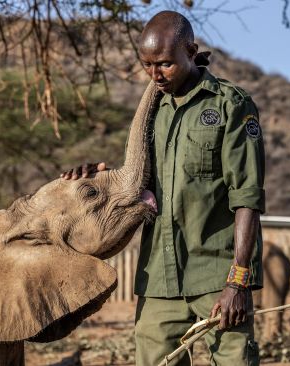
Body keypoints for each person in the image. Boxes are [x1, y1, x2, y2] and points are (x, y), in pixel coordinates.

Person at [61, 10, 265, 365]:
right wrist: (95, 177)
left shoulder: (231, 105)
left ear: (191, 50)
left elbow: (246, 197)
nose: (155, 75)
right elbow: (138, 178)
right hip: (159, 279)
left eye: (166, 64)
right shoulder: (152, 111)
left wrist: (238, 281)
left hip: (217, 276)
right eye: (147, 65)